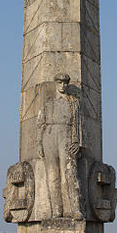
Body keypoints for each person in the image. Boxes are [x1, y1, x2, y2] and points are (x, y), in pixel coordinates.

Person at [37, 73, 84, 220]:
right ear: (56, 84)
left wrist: (78, 142)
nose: (62, 86)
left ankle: (76, 209)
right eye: (59, 83)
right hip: (50, 135)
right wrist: (39, 143)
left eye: (64, 83)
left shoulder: (74, 102)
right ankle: (57, 210)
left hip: (66, 134)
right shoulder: (48, 102)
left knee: (70, 173)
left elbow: (78, 122)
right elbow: (41, 123)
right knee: (52, 175)